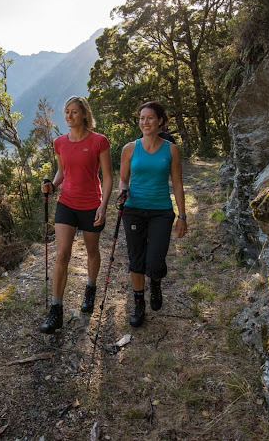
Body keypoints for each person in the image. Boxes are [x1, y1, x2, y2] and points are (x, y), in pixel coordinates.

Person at [39, 96, 113, 334]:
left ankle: (90, 289)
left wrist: (103, 205)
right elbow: (61, 171)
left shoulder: (99, 141)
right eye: (66, 112)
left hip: (91, 205)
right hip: (66, 204)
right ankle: (55, 310)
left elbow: (108, 177)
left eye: (74, 112)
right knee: (62, 254)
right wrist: (53, 184)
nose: (69, 116)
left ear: (84, 114)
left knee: (92, 251)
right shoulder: (59, 142)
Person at [118, 101, 186, 327]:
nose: (144, 122)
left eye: (149, 118)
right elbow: (123, 179)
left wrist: (182, 216)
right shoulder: (129, 148)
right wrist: (123, 192)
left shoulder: (171, 149)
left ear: (160, 121)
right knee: (136, 260)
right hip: (134, 210)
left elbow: (177, 183)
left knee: (155, 261)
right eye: (141, 118)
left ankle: (155, 283)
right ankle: (139, 303)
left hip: (161, 212)